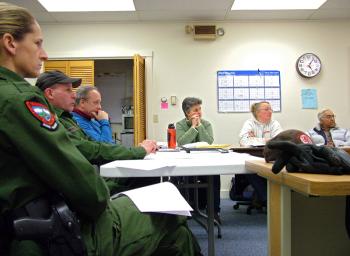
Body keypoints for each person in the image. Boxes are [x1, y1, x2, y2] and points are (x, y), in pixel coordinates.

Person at [0, 3, 201, 255]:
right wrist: (104, 196)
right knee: (171, 218)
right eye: (37, 43)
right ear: (10, 43)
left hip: (24, 224)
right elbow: (82, 177)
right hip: (42, 233)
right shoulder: (19, 99)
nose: (44, 54)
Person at [35, 70, 160, 194]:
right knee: (150, 184)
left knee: (150, 176)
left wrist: (136, 151)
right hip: (84, 187)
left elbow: (100, 146)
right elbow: (94, 150)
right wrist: (138, 151)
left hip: (91, 180)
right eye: (68, 90)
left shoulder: (68, 119)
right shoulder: (50, 120)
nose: (74, 95)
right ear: (50, 93)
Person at [176, 97, 221, 223]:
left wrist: (199, 126)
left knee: (215, 175)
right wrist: (193, 128)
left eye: (200, 109)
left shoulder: (206, 124)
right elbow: (181, 142)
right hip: (186, 163)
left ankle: (214, 211)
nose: (199, 112)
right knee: (180, 179)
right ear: (187, 112)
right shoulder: (180, 125)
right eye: (196, 110)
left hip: (204, 162)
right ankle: (185, 209)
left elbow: (208, 141)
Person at [238, 101, 283, 206]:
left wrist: (255, 139)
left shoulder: (274, 124)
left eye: (271, 109)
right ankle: (268, 201)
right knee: (252, 171)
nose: (270, 111)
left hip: (271, 157)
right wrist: (266, 140)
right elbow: (244, 141)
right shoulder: (249, 123)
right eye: (267, 109)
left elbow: (279, 141)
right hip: (253, 157)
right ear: (258, 112)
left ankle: (272, 200)